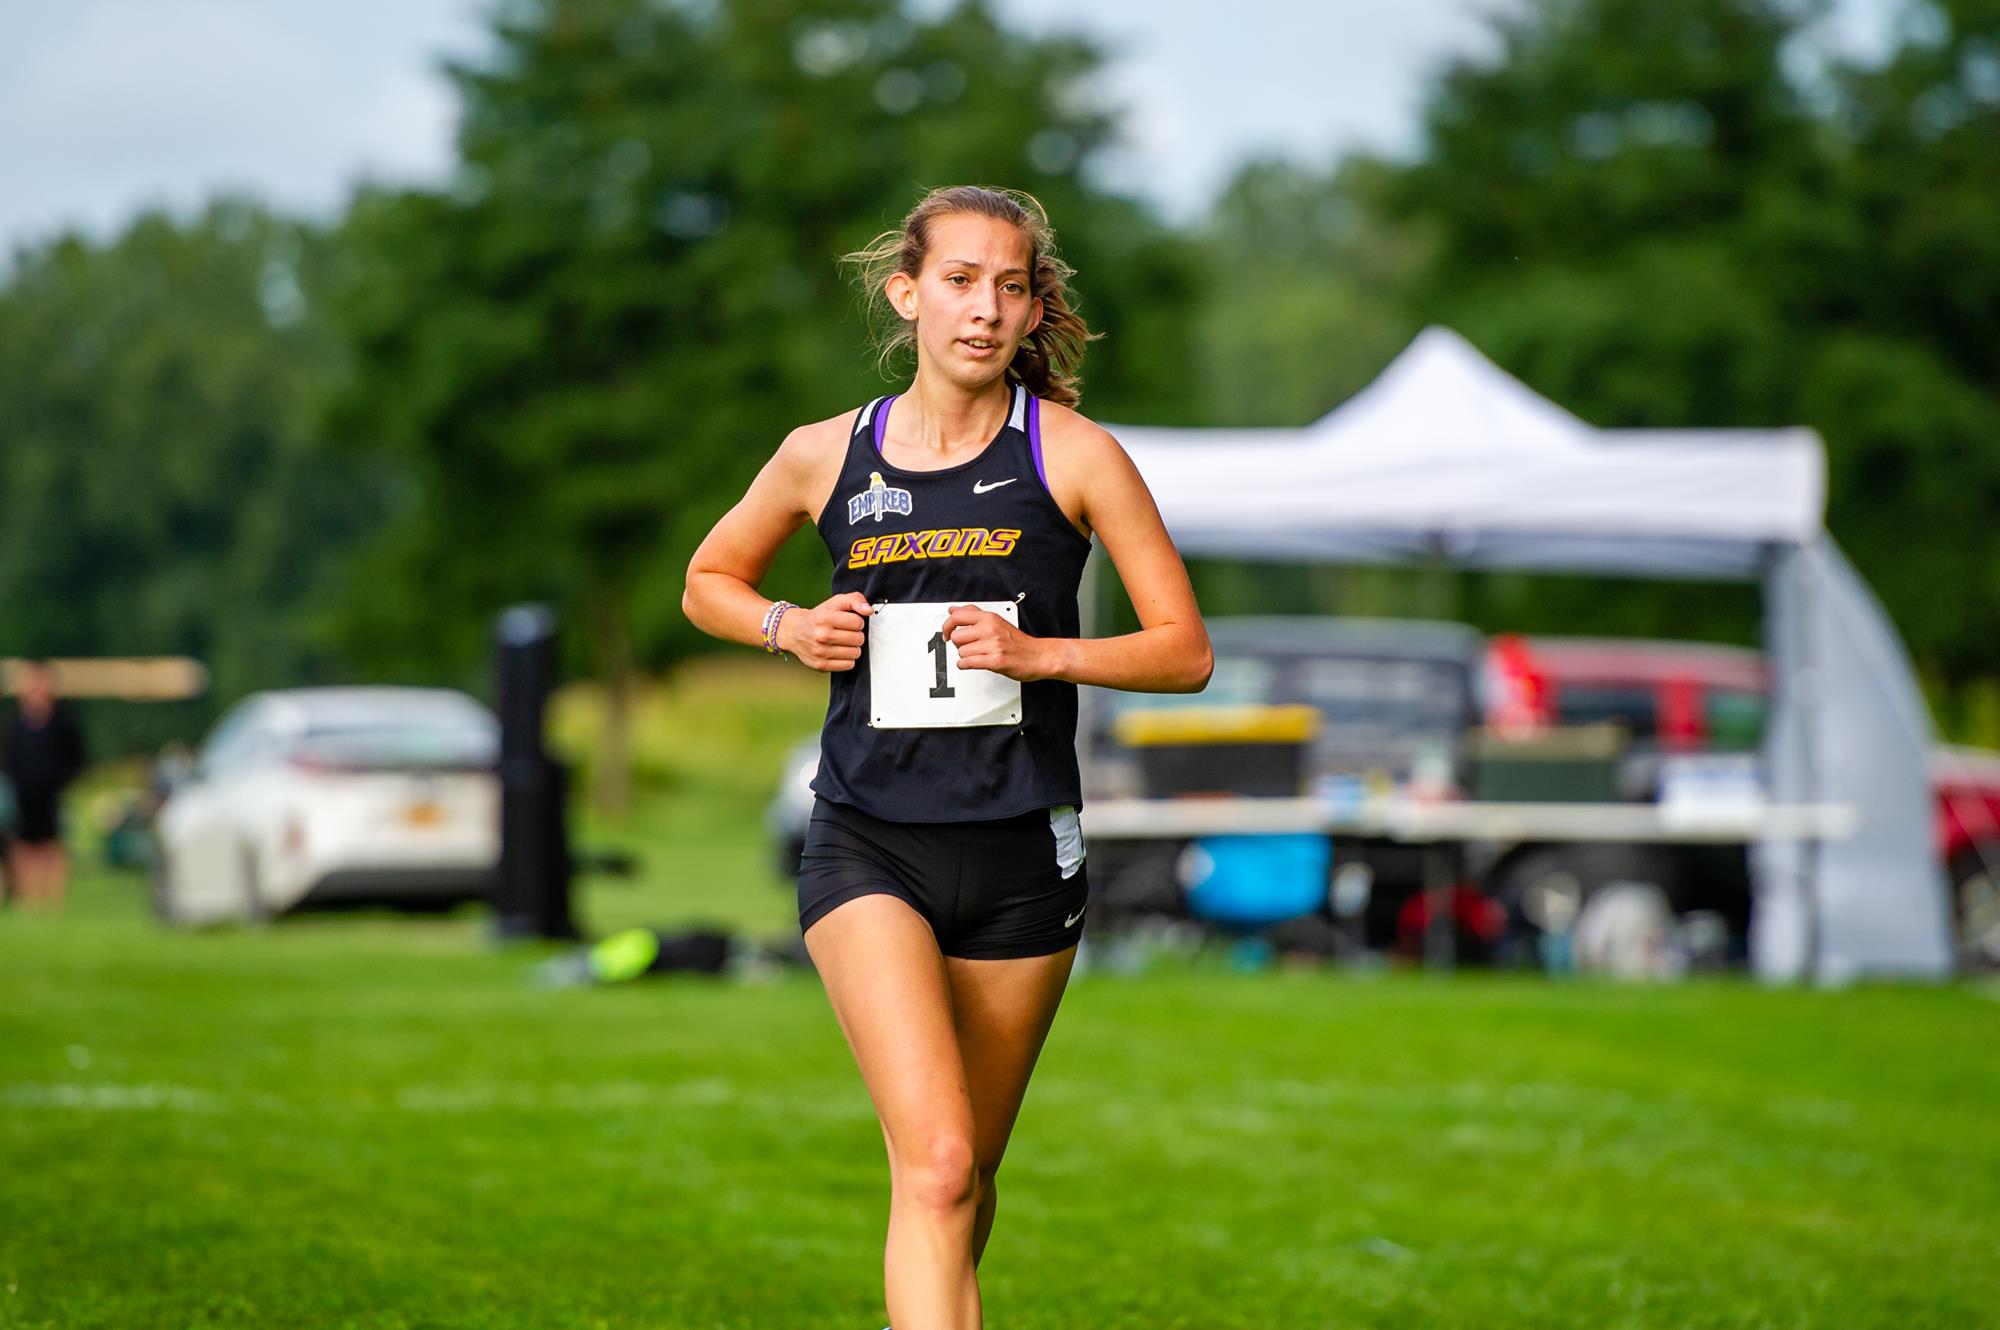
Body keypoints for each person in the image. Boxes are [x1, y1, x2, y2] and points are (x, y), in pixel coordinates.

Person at [683, 185, 1211, 1329]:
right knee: (932, 1162)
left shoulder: (1074, 455)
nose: (984, 309)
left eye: (1009, 287)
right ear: (906, 293)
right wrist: (786, 625)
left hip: (1023, 855)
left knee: (965, 1177)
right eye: (960, 281)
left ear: (1032, 310)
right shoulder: (822, 454)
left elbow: (1183, 651)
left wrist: (1041, 654)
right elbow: (706, 580)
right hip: (869, 843)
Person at [3, 659, 88, 909]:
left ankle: (52, 901)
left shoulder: (63, 721)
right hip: (23, 792)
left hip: (53, 792)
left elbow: (76, 757)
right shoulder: (15, 723)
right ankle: (29, 899)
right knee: (23, 843)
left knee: (52, 843)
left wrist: (63, 780)